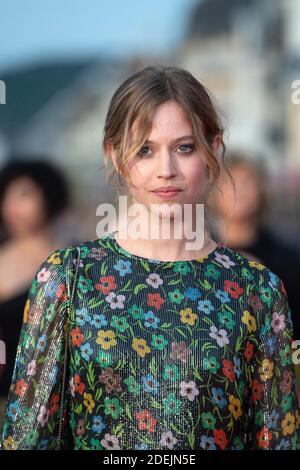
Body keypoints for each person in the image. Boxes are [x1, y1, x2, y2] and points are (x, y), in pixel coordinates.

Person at [1, 66, 299, 450]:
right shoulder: (67, 279)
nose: (166, 170)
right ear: (115, 156)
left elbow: (278, 439)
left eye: (184, 147)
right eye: (145, 149)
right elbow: (27, 439)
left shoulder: (257, 289)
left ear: (214, 150)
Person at [0, 158, 73, 429]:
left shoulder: (78, 259)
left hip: (72, 400)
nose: (12, 207)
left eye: (24, 195)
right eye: (6, 197)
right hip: (12, 402)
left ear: (48, 194)